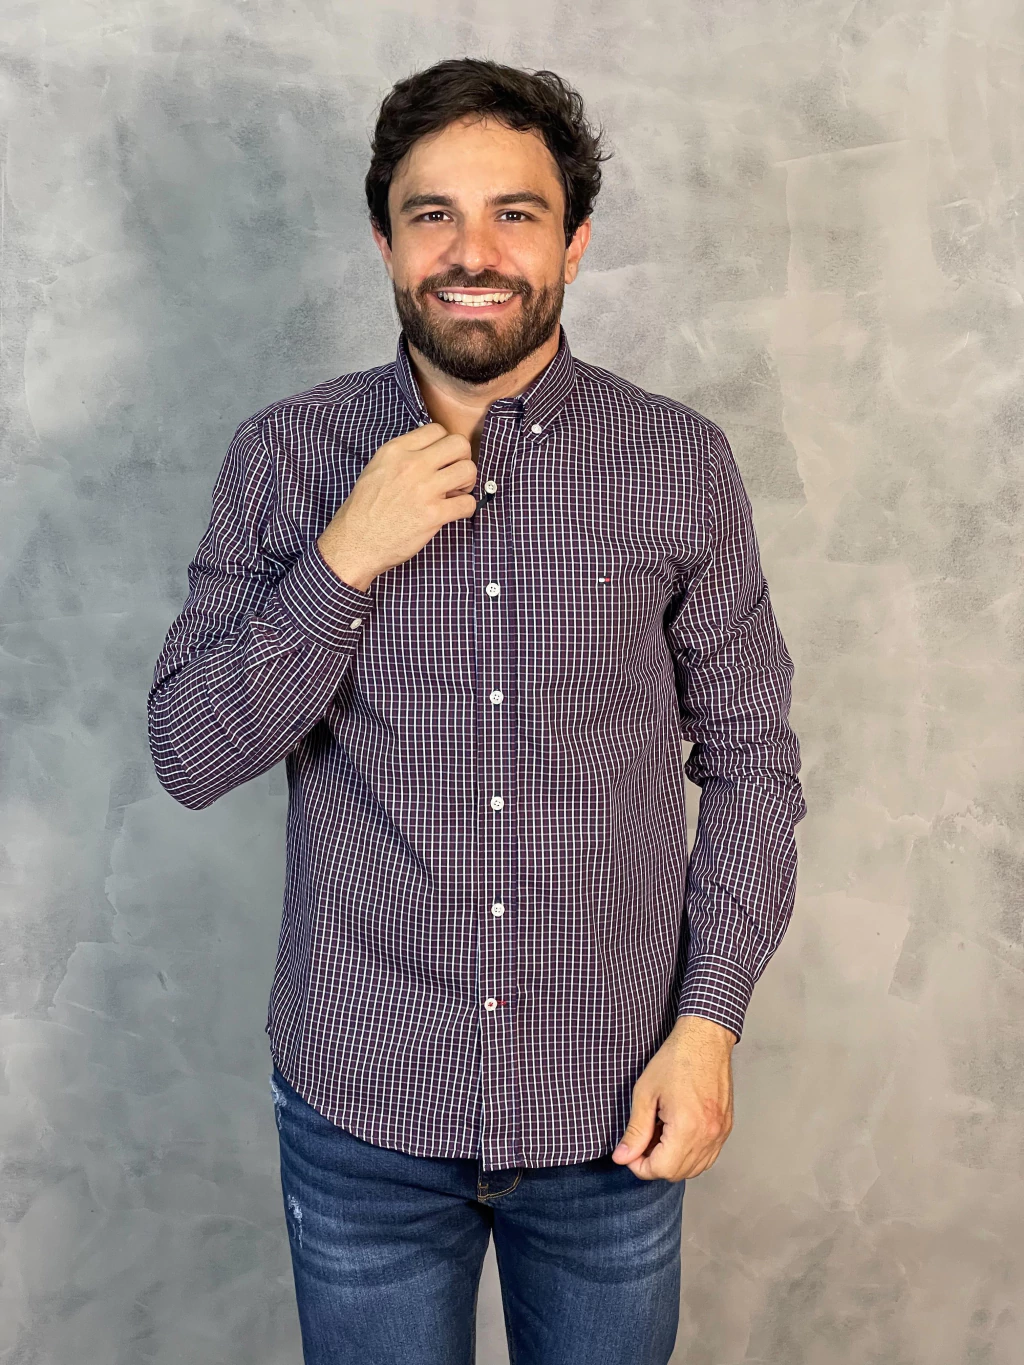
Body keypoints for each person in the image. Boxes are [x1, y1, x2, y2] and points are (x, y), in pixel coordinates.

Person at [148, 56, 806, 1365]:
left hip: (614, 1104)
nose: (473, 252)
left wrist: (709, 1022)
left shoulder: (677, 463)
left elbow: (750, 767)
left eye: (515, 212)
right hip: (363, 1111)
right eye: (433, 213)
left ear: (575, 239)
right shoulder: (286, 457)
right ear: (384, 238)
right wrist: (344, 558)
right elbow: (189, 752)